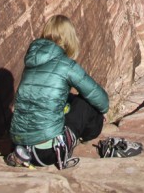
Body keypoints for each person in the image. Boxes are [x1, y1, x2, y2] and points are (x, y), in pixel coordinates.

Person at [7, 14, 109, 170]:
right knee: (86, 102)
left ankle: (24, 153)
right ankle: (85, 135)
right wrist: (102, 111)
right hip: (48, 152)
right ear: (69, 38)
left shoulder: (31, 63)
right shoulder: (65, 64)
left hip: (19, 145)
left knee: (65, 97)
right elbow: (101, 99)